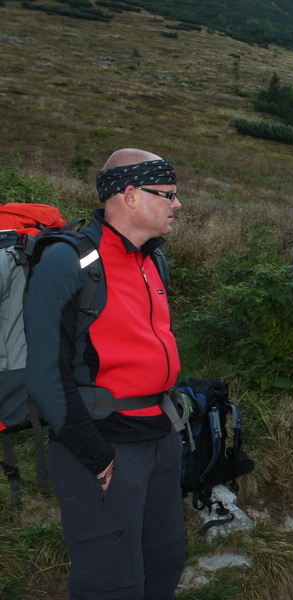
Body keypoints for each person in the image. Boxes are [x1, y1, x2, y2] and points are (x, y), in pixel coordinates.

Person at [25, 148, 185, 599]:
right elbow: (45, 374)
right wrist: (95, 455)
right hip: (102, 446)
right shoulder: (67, 262)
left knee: (165, 561)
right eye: (167, 195)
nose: (177, 205)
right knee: (112, 583)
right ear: (130, 195)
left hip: (159, 437)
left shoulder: (154, 260)